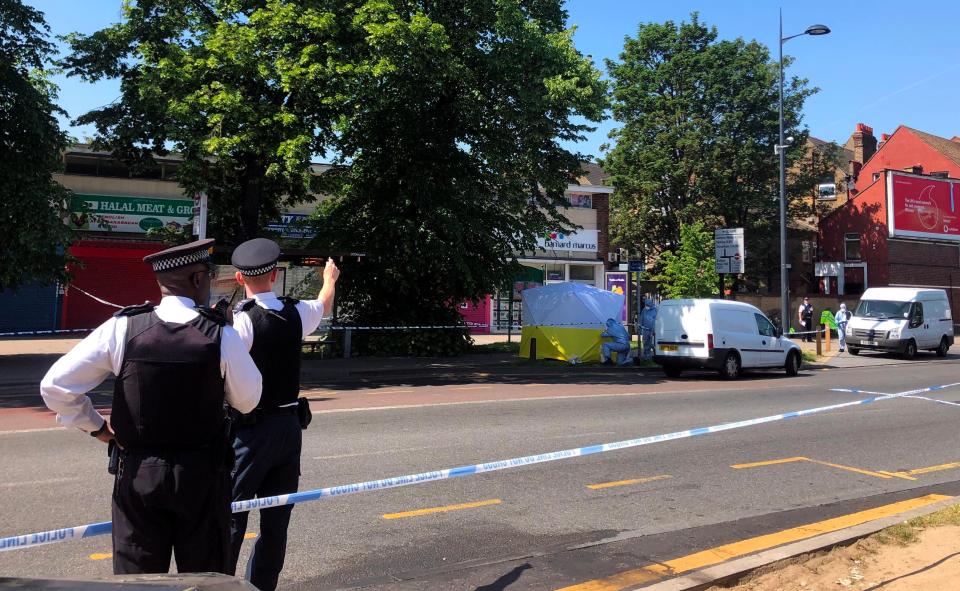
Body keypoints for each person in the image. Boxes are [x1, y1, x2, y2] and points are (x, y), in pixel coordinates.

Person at [39, 239, 262, 575]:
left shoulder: (123, 328)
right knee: (206, 580)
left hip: (138, 475)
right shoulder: (220, 335)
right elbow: (248, 400)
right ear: (198, 279)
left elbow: (55, 386)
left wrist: (97, 428)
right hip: (201, 475)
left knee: (138, 581)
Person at [228, 238, 340, 591]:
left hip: (249, 433)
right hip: (289, 430)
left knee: (232, 518)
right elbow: (323, 305)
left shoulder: (242, 322)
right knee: (276, 522)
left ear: (238, 278)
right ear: (275, 275)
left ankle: (219, 586)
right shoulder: (295, 313)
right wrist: (330, 278)